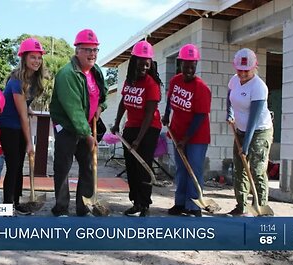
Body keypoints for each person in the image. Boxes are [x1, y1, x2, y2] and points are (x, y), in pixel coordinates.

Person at [49, 29, 107, 217]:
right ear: (77, 51)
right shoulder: (67, 74)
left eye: (95, 50)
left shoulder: (95, 71)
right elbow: (73, 110)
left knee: (89, 165)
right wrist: (88, 135)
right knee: (63, 167)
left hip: (87, 124)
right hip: (67, 126)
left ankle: (84, 207)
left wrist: (101, 106)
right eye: (88, 50)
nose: (92, 54)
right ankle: (61, 208)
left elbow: (102, 93)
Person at [111, 40, 162, 217]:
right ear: (134, 62)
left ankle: (145, 204)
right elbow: (123, 103)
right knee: (131, 166)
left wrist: (139, 140)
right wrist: (117, 123)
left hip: (148, 130)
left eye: (147, 64)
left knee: (143, 166)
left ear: (150, 64)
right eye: (140, 63)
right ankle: (136, 202)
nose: (143, 67)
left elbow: (149, 114)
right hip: (131, 127)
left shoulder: (152, 84)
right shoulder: (129, 81)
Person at [162, 44, 211, 217]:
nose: (189, 69)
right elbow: (170, 99)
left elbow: (200, 117)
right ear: (180, 64)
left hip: (197, 136)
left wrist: (186, 138)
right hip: (177, 133)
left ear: (196, 65)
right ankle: (180, 203)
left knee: (194, 170)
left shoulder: (201, 88)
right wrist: (167, 114)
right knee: (181, 170)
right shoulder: (175, 80)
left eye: (193, 66)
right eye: (186, 65)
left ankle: (194, 205)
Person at [0, 37, 45, 214]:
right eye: (33, 57)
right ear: (24, 58)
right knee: (13, 164)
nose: (37, 61)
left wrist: (28, 108)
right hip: (9, 126)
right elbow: (22, 116)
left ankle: (16, 202)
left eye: (39, 57)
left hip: (19, 123)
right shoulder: (16, 80)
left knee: (18, 165)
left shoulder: (34, 80)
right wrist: (30, 142)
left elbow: (24, 107)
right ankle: (8, 204)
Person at [226, 48, 273, 216]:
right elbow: (230, 95)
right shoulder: (234, 80)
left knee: (257, 169)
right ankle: (241, 206)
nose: (243, 73)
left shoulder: (259, 87)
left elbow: (253, 119)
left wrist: (246, 145)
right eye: (240, 70)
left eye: (246, 70)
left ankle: (261, 208)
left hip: (259, 130)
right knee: (239, 168)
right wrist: (229, 112)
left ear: (254, 67)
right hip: (240, 129)